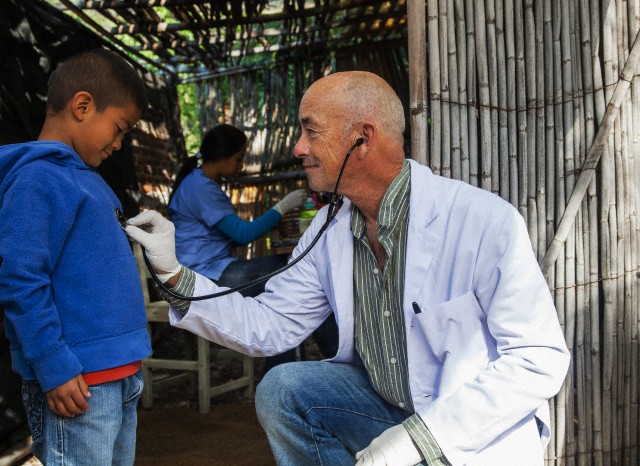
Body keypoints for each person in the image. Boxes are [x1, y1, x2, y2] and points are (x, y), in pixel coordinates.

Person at [126, 71, 570, 465]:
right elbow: (269, 324)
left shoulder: (482, 220)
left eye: (310, 131)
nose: (298, 148)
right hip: (386, 408)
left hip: (469, 432)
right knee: (285, 389)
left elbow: (538, 359)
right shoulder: (330, 230)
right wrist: (173, 273)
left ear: (363, 137)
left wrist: (418, 439)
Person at [0, 49, 151, 466]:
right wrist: (53, 365)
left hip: (118, 375)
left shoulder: (87, 180)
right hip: (79, 383)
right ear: (82, 106)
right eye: (119, 129)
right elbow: (20, 279)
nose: (118, 144)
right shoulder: (37, 178)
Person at [168, 124, 312, 367]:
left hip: (210, 269)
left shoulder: (199, 183)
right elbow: (243, 235)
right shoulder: (200, 188)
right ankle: (284, 369)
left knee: (283, 280)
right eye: (239, 158)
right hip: (204, 276)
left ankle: (285, 368)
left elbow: (231, 236)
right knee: (285, 273)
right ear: (222, 156)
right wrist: (283, 207)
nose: (241, 166)